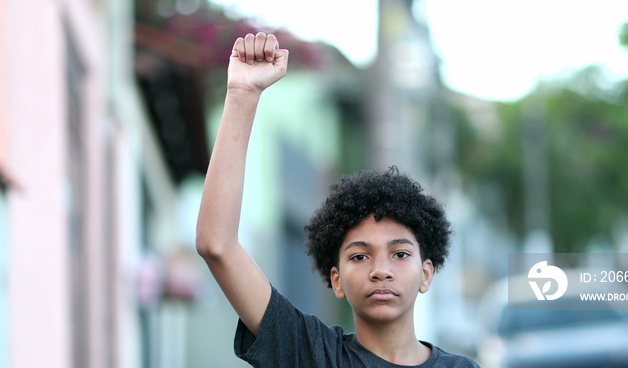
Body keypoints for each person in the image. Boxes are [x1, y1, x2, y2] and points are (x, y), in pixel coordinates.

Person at [196, 32, 482, 368]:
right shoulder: (311, 353)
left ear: (426, 273)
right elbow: (217, 245)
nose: (381, 271)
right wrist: (242, 95)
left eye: (400, 254)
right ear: (337, 280)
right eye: (360, 256)